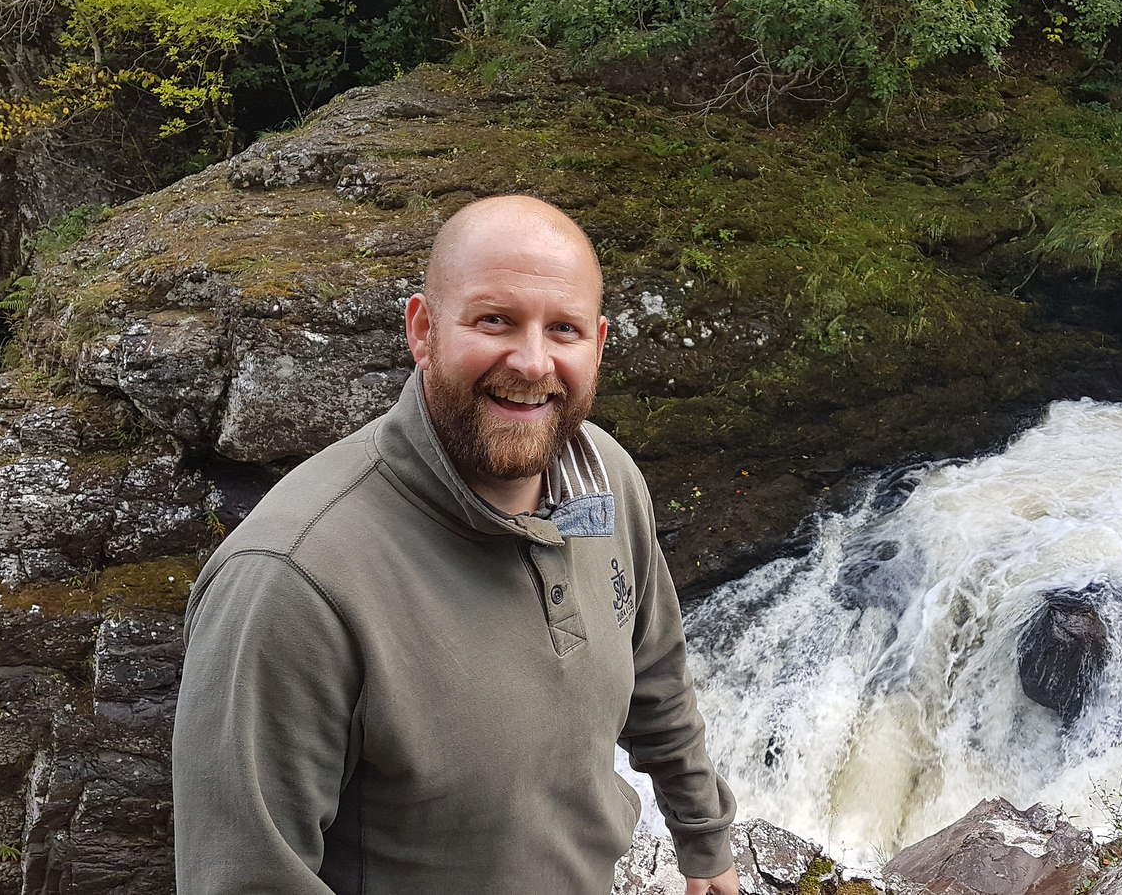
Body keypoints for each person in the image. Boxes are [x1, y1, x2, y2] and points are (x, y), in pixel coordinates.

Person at [172, 195, 739, 894]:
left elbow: (655, 674)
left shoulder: (611, 481)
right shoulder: (289, 582)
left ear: (597, 345)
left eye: (562, 329)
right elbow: (248, 880)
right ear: (423, 330)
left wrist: (704, 837)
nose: (532, 363)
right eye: (494, 320)